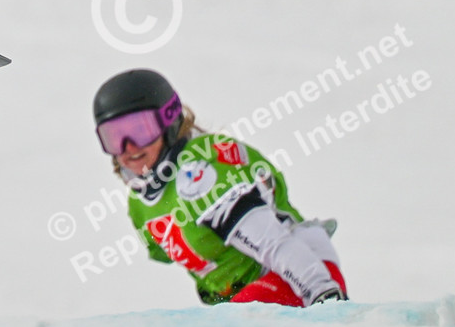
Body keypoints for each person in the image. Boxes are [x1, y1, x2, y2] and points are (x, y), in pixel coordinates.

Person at [93, 68, 348, 308]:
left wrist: (323, 293)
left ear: (168, 121)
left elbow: (271, 242)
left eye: (140, 130)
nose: (128, 148)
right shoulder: (140, 204)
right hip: (250, 295)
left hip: (299, 274)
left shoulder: (201, 174)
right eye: (114, 137)